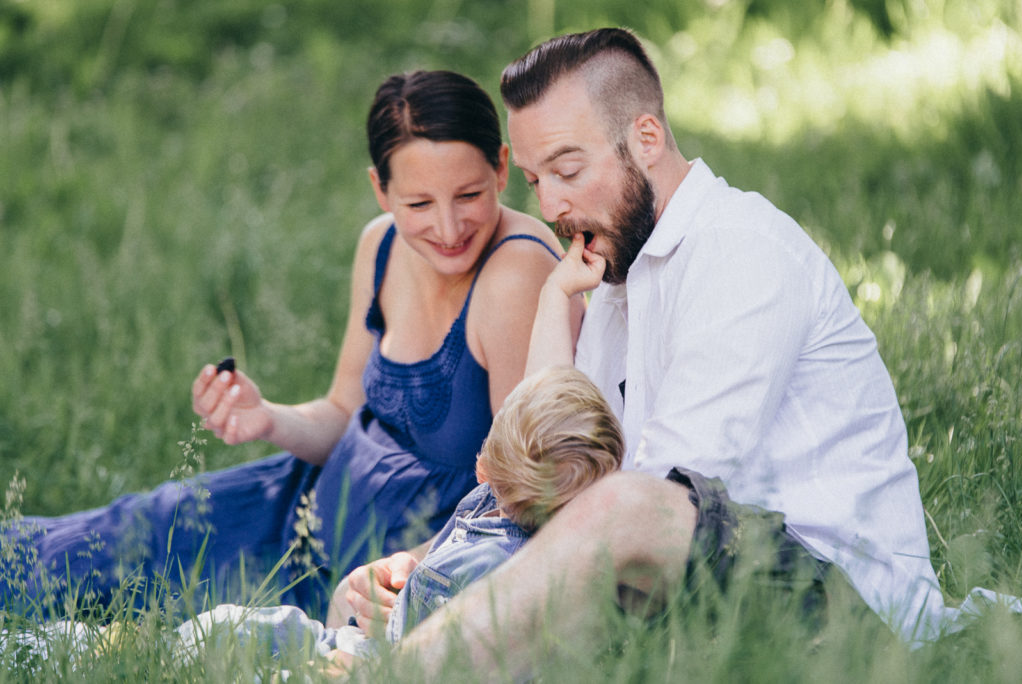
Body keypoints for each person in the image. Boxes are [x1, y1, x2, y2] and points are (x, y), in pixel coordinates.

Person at [343, 28, 958, 677]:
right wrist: (455, 574)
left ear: (646, 138)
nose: (550, 205)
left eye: (569, 170)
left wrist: (499, 584)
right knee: (394, 577)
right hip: (707, 591)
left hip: (846, 615)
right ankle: (364, 648)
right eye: (534, 179)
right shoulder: (615, 276)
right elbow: (552, 463)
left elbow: (660, 503)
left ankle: (396, 673)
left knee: (626, 505)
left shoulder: (740, 253)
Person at [0, 69, 581, 620]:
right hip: (307, 505)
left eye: (469, 195)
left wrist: (411, 569)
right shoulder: (380, 245)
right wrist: (267, 418)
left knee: (164, 620)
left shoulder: (514, 276)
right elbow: (342, 412)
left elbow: (517, 491)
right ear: (380, 190)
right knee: (108, 539)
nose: (450, 229)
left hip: (387, 562)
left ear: (502, 168)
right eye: (420, 204)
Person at [1, 366, 625, 673]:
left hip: (350, 656)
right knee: (204, 614)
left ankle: (46, 653)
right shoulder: (492, 508)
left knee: (211, 637)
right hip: (331, 603)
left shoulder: (508, 570)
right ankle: (60, 647)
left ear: (489, 469)